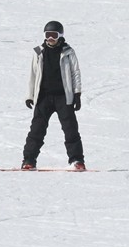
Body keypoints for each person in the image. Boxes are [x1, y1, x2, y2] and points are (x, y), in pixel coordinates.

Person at [21, 20, 85, 171]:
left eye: (54, 35)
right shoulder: (38, 51)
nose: (50, 38)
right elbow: (32, 74)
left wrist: (77, 94)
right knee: (37, 130)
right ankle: (29, 160)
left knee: (70, 129)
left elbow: (75, 73)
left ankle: (77, 160)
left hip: (64, 97)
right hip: (43, 97)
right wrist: (30, 95)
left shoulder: (68, 51)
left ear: (60, 36)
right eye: (48, 35)